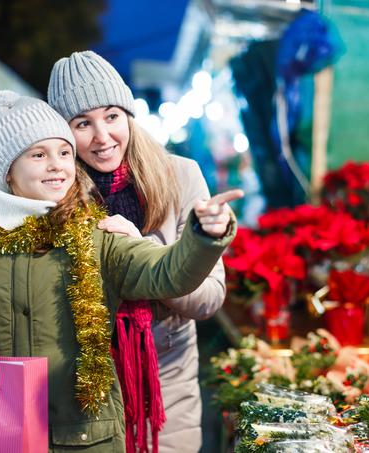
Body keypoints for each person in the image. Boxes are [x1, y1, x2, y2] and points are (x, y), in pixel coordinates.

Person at [0, 90, 240, 453]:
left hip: (86, 440)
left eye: (63, 153)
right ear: (8, 170)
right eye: (39, 155)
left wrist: (204, 236)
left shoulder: (97, 235)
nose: (57, 165)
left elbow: (170, 274)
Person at [48, 51, 228, 453]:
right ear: (64, 133)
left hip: (166, 388)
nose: (102, 136)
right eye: (82, 123)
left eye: (111, 116)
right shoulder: (53, 195)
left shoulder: (180, 176)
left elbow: (209, 299)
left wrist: (142, 252)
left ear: (128, 115)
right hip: (81, 397)